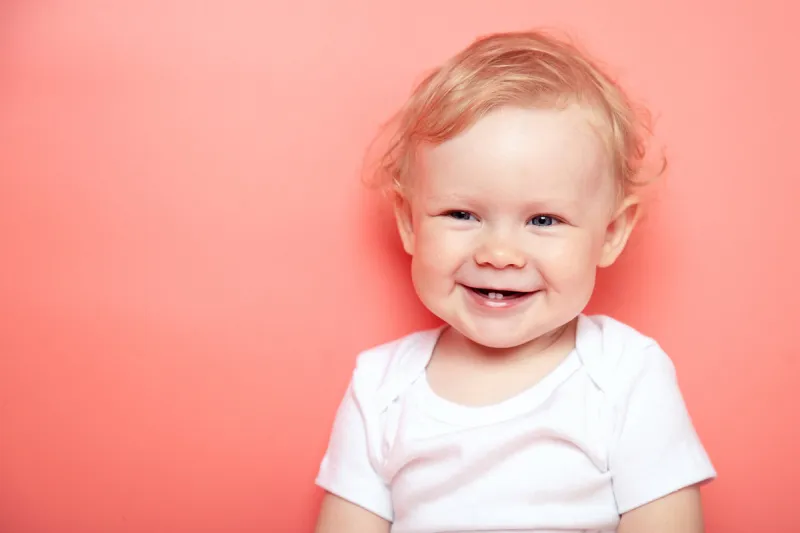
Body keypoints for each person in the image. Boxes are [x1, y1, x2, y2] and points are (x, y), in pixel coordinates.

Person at [313, 29, 716, 533]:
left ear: (611, 233)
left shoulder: (625, 376)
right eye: (462, 214)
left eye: (543, 220)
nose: (499, 254)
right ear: (410, 223)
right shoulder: (380, 388)